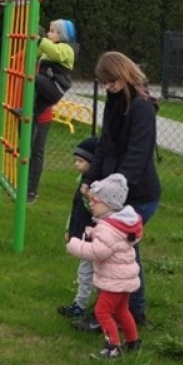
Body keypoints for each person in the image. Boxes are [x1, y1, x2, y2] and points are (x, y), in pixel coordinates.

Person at [74, 51, 160, 333]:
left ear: (124, 75)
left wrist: (113, 190)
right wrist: (90, 178)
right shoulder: (114, 103)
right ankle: (130, 312)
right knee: (125, 255)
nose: (107, 87)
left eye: (111, 81)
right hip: (113, 194)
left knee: (114, 255)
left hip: (137, 195)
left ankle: (114, 313)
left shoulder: (142, 108)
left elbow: (137, 155)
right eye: (104, 83)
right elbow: (105, 146)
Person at [66, 173, 143, 360]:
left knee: (102, 311)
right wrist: (95, 232)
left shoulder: (107, 229)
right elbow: (111, 242)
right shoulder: (119, 224)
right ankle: (133, 341)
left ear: (108, 204)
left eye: (95, 201)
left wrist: (74, 244)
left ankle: (113, 347)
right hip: (125, 279)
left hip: (113, 280)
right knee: (121, 310)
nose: (91, 204)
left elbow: (98, 252)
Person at [27, 19, 77, 200]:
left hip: (55, 89)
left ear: (62, 35)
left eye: (53, 31)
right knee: (33, 114)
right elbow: (37, 53)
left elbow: (54, 52)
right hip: (46, 95)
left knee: (37, 151)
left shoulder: (66, 49)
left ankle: (32, 190)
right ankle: (27, 187)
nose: (49, 34)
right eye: (48, 31)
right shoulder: (47, 52)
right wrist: (32, 43)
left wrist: (40, 40)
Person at [56, 136, 101, 320]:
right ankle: (86, 303)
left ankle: (82, 305)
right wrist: (69, 229)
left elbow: (94, 211)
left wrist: (88, 195)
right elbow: (75, 208)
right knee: (86, 271)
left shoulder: (96, 187)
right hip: (82, 233)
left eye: (80, 161)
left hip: (92, 237)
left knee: (86, 271)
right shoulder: (82, 181)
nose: (76, 164)